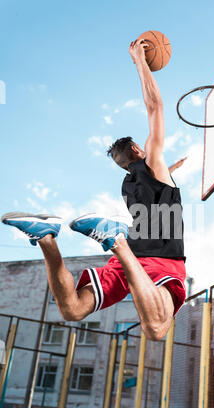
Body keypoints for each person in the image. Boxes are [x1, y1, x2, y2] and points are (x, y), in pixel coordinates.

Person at [1, 39, 187, 341]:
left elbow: (158, 189)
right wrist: (140, 61)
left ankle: (46, 237)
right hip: (161, 256)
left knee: (72, 310)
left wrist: (173, 171)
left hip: (133, 257)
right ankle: (116, 241)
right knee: (156, 329)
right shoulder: (153, 161)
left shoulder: (129, 184)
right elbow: (155, 107)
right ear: (139, 148)